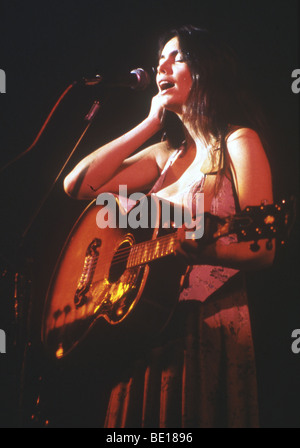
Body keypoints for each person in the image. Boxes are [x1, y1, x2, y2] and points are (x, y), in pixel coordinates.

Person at [63, 25, 274, 428]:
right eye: (161, 57)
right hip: (142, 330)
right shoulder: (165, 155)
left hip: (204, 326)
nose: (161, 63)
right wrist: (148, 125)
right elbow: (78, 185)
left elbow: (262, 248)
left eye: (177, 56)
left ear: (208, 68)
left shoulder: (238, 141)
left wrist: (203, 250)